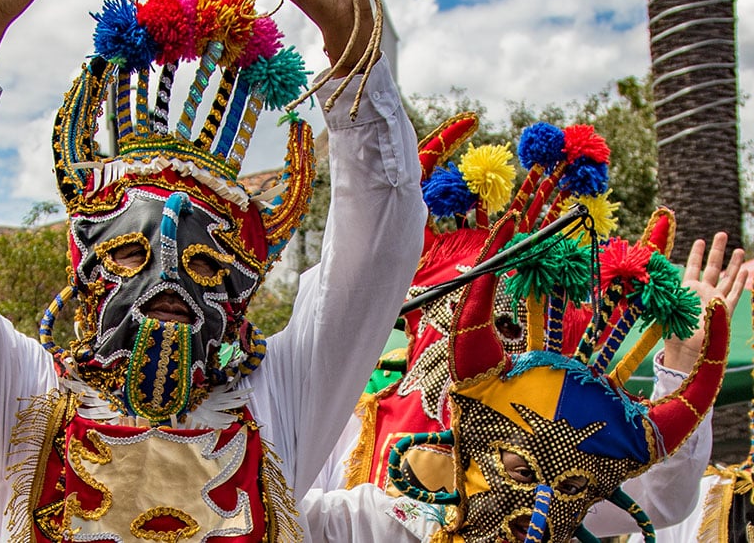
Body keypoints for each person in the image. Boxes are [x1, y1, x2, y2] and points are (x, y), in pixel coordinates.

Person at [0, 0, 425, 541]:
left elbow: (380, 247)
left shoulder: (279, 403)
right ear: (86, 270)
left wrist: (352, 44)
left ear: (240, 290)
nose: (166, 281)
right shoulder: (22, 403)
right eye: (130, 253)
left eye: (206, 267)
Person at [314, 113, 743, 537]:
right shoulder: (350, 422)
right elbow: (290, 509)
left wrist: (685, 362)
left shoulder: (564, 450)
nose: (482, 346)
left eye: (510, 329)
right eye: (468, 314)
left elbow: (660, 498)